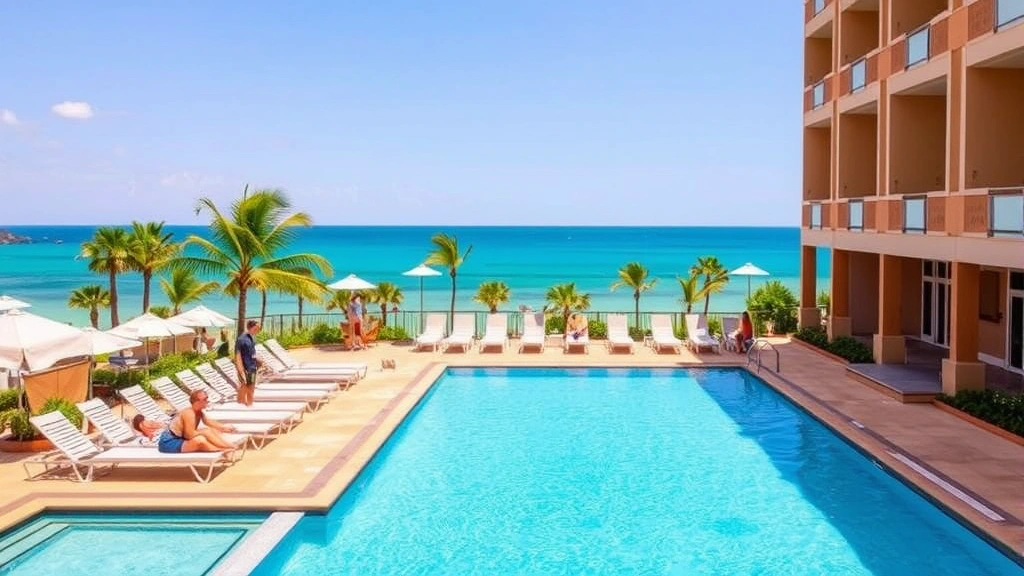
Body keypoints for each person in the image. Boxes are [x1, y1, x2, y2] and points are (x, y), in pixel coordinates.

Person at [156, 390, 237, 453]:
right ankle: (224, 448)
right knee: (200, 439)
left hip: (180, 439)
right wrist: (205, 432)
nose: (207, 401)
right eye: (205, 399)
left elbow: (209, 422)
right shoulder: (189, 413)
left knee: (213, 431)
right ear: (197, 401)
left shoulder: (198, 412)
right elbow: (189, 435)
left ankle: (226, 447)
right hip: (169, 442)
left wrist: (224, 428)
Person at [234, 319, 262, 407]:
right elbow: (237, 356)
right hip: (246, 368)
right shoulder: (242, 340)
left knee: (250, 387)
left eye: (258, 329)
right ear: (250, 327)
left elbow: (251, 353)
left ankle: (247, 405)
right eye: (256, 329)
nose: (257, 331)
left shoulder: (250, 338)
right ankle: (244, 405)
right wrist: (241, 371)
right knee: (246, 387)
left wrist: (257, 360)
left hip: (252, 367)